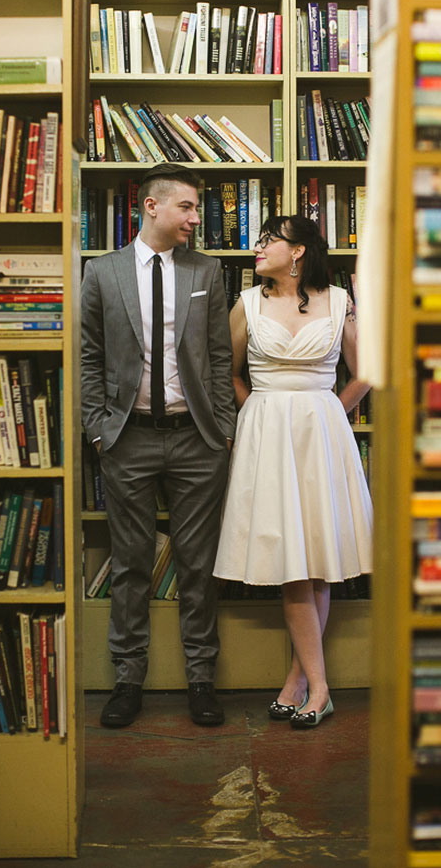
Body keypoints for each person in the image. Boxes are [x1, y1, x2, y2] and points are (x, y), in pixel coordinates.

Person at [81, 164, 236, 728]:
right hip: (127, 440)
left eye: (197, 209)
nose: (197, 218)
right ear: (152, 207)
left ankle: (201, 679)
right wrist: (99, 429)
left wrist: (222, 430)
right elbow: (89, 358)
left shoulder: (207, 270)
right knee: (130, 565)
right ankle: (127, 679)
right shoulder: (102, 273)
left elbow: (220, 356)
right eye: (188, 208)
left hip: (197, 441)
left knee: (198, 564)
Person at [214, 214, 373, 728]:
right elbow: (228, 371)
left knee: (316, 554)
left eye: (268, 241)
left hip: (321, 433)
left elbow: (365, 371)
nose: (256, 248)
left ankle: (302, 681)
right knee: (290, 561)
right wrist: (258, 409)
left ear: (298, 251)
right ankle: (316, 684)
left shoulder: (340, 303)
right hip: (266, 434)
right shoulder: (247, 303)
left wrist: (329, 411)